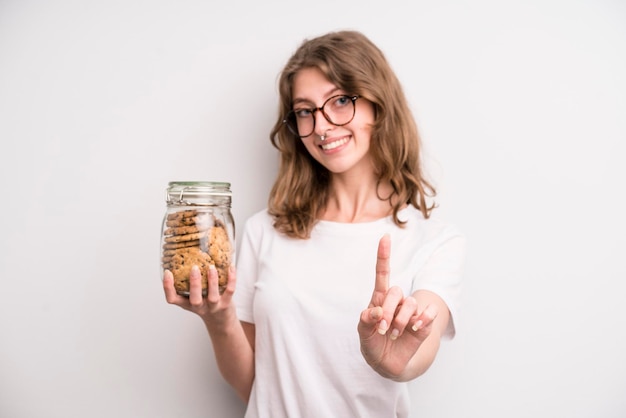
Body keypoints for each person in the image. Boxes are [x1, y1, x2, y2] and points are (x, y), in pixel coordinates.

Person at [163, 29, 465, 418]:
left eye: (340, 101)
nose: (321, 126)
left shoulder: (436, 241)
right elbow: (254, 385)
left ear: (378, 104)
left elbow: (417, 354)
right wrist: (219, 318)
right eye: (305, 111)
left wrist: (390, 360)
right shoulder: (263, 231)